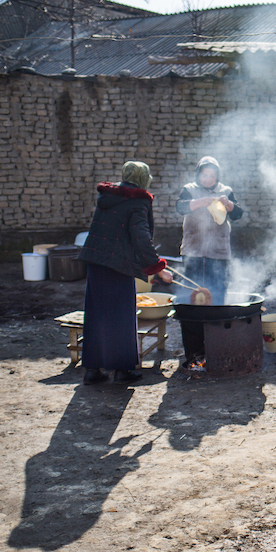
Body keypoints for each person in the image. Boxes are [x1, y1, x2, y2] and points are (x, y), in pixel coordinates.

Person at [78, 161, 172, 385]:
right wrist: (158, 268)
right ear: (143, 178)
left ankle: (92, 369)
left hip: (96, 261)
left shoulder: (108, 198)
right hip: (118, 265)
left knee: (96, 314)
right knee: (121, 316)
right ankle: (122, 370)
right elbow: (140, 237)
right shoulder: (137, 201)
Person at [176, 156, 243, 305]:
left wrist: (229, 204)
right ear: (198, 174)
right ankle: (193, 323)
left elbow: (237, 214)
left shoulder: (225, 191)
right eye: (204, 175)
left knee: (217, 291)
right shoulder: (189, 189)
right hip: (193, 250)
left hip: (218, 251)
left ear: (217, 176)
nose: (208, 179)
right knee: (191, 291)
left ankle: (215, 324)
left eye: (212, 176)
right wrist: (199, 202)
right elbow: (180, 207)